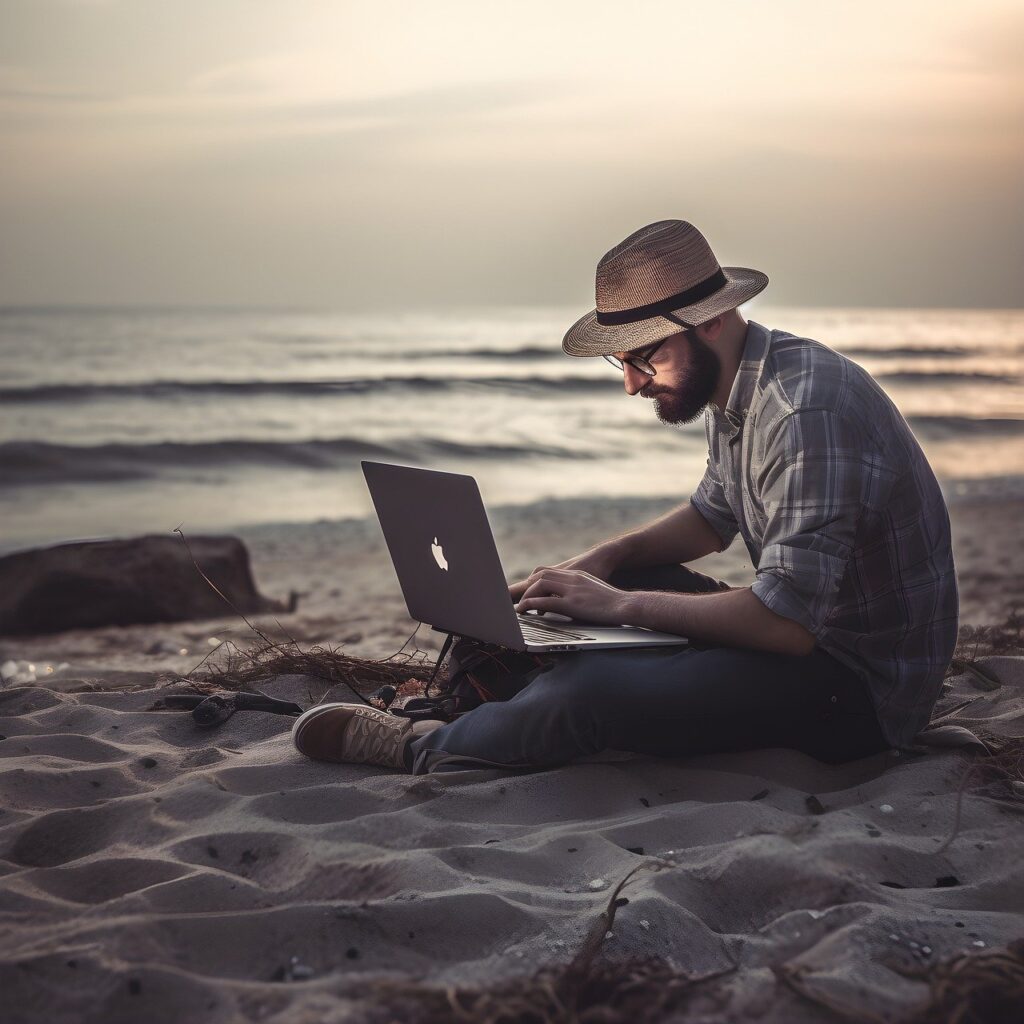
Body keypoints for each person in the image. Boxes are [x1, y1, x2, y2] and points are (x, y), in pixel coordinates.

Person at [293, 219, 959, 775]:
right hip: (800, 636)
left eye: (645, 356)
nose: (633, 384)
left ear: (713, 320)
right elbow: (709, 518)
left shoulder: (804, 411)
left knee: (595, 693)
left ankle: (418, 748)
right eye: (624, 361)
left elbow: (785, 627)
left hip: (855, 689)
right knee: (599, 586)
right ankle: (490, 701)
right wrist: (606, 561)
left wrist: (621, 603)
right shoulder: (743, 390)